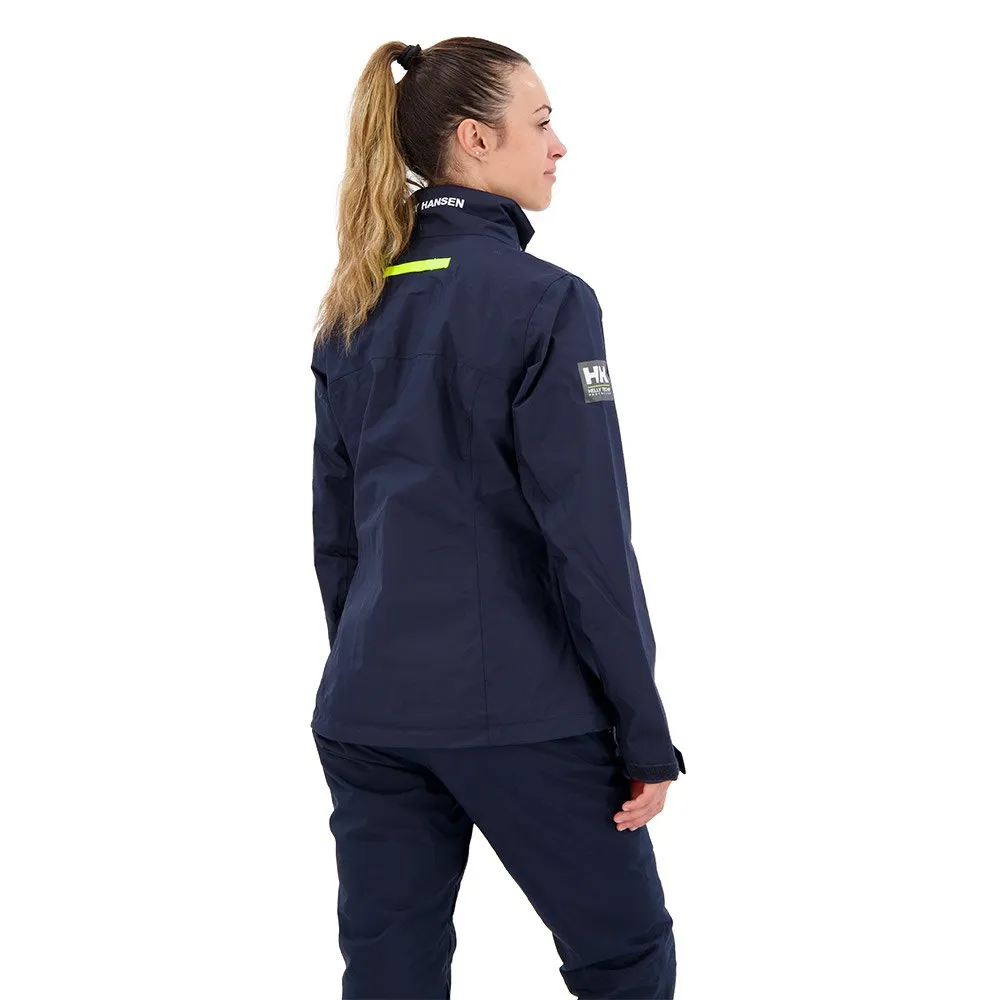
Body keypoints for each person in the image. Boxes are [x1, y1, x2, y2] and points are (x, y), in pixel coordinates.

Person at [309, 35, 687, 1000]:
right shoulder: (547, 303)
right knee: (626, 959)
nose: (559, 146)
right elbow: (588, 539)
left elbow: (337, 540)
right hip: (522, 712)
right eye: (542, 121)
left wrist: (379, 671)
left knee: (388, 978)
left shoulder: (352, 308)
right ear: (476, 140)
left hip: (369, 711)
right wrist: (644, 734)